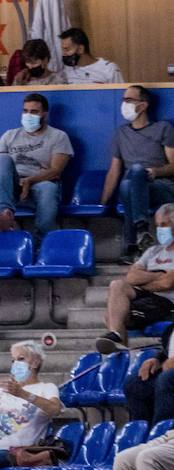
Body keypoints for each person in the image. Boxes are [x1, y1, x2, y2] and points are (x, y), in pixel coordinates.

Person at [103, 86, 174, 261]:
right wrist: (102, 203)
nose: (124, 104)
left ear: (143, 106)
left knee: (135, 172)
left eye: (128, 100)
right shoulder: (121, 133)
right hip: (133, 187)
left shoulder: (163, 128)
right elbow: (114, 170)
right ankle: (141, 232)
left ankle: (131, 244)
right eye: (123, 100)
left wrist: (155, 172)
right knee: (129, 182)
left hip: (161, 186)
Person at [0, 93, 72, 236]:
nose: (28, 115)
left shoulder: (59, 136)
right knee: (2, 159)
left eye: (34, 112)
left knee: (49, 188)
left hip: (40, 183)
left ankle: (41, 239)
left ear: (45, 114)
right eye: (25, 111)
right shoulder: (9, 135)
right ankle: (5, 213)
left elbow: (55, 171)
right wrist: (2, 188)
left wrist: (29, 181)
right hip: (12, 185)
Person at [97, 203, 174, 355]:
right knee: (117, 285)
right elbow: (131, 277)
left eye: (164, 225)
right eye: (158, 225)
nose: (160, 230)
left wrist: (144, 281)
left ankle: (121, 352)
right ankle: (115, 336)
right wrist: (160, 274)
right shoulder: (153, 251)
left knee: (112, 316)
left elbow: (167, 283)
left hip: (167, 303)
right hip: (147, 297)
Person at [0, 340, 62, 462]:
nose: (15, 364)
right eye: (13, 360)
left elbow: (55, 409)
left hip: (12, 452)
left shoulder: (47, 387)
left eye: (20, 359)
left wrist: (23, 394)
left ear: (35, 362)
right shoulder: (3, 391)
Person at [124, 321, 174, 424]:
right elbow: (166, 353)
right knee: (135, 384)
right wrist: (157, 360)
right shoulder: (170, 329)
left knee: (165, 379)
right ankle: (142, 431)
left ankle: (162, 432)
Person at [59, 27, 123, 84]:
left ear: (80, 49)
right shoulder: (67, 71)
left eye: (67, 49)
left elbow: (121, 95)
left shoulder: (109, 69)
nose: (63, 54)